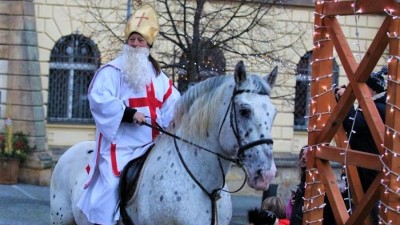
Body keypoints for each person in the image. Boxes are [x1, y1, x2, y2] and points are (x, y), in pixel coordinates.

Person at [77, 4, 180, 225]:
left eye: (140, 40)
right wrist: (129, 113)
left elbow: (173, 103)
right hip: (121, 144)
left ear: (148, 45)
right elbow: (99, 98)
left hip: (153, 143)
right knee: (110, 187)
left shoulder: (159, 76)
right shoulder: (111, 71)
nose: (135, 44)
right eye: (132, 39)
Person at [334, 66, 387, 225]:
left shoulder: (378, 108)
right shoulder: (379, 106)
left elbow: (353, 123)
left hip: (370, 174)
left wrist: (345, 101)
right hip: (368, 171)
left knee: (370, 216)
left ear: (370, 90)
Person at [287, 146, 336, 225]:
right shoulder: (303, 183)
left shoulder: (321, 185)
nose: (303, 158)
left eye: (307, 155)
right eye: (302, 154)